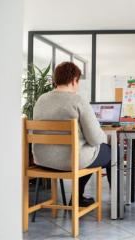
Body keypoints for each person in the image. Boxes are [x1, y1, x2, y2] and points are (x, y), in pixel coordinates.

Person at [32, 62, 111, 207]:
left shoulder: (41, 99)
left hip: (42, 160)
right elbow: (94, 139)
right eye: (78, 81)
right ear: (74, 79)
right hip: (70, 161)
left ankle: (77, 198)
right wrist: (106, 138)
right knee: (109, 152)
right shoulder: (78, 100)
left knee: (86, 151)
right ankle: (117, 204)